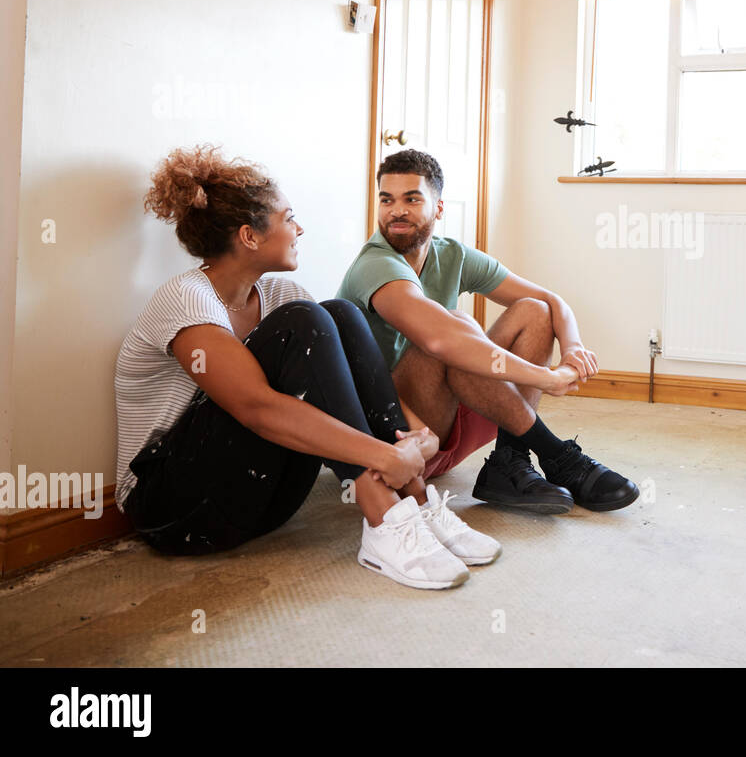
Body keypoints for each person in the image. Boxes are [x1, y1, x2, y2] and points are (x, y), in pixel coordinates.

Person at [114, 145, 497, 591]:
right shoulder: (186, 299)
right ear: (249, 236)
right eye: (288, 218)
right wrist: (384, 456)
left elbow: (336, 379)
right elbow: (258, 409)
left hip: (267, 498)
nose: (299, 228)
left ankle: (415, 500)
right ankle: (385, 517)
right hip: (176, 509)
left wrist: (416, 432)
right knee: (306, 321)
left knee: (339, 314)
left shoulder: (279, 292)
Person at [336, 148, 638, 514]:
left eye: (411, 199)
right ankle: (556, 454)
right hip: (399, 442)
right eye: (387, 200)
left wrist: (572, 347)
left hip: (448, 422)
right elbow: (439, 340)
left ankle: (509, 462)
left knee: (533, 311)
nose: (396, 210)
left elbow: (550, 299)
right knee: (456, 330)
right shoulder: (375, 265)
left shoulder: (452, 255)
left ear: (439, 208)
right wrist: (545, 377)